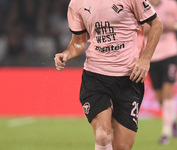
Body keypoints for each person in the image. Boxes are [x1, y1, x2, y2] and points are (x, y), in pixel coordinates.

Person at [54, 0, 163, 149]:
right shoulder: (76, 3)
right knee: (103, 135)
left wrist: (145, 59)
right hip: (95, 74)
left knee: (122, 147)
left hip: (128, 77)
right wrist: (67, 53)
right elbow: (78, 41)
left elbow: (157, 24)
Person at [144, 0, 177, 145]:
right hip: (152, 55)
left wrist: (172, 25)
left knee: (167, 88)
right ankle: (172, 121)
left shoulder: (171, 5)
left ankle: (165, 133)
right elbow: (139, 29)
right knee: (158, 96)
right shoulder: (142, 6)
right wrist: (157, 26)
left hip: (170, 53)